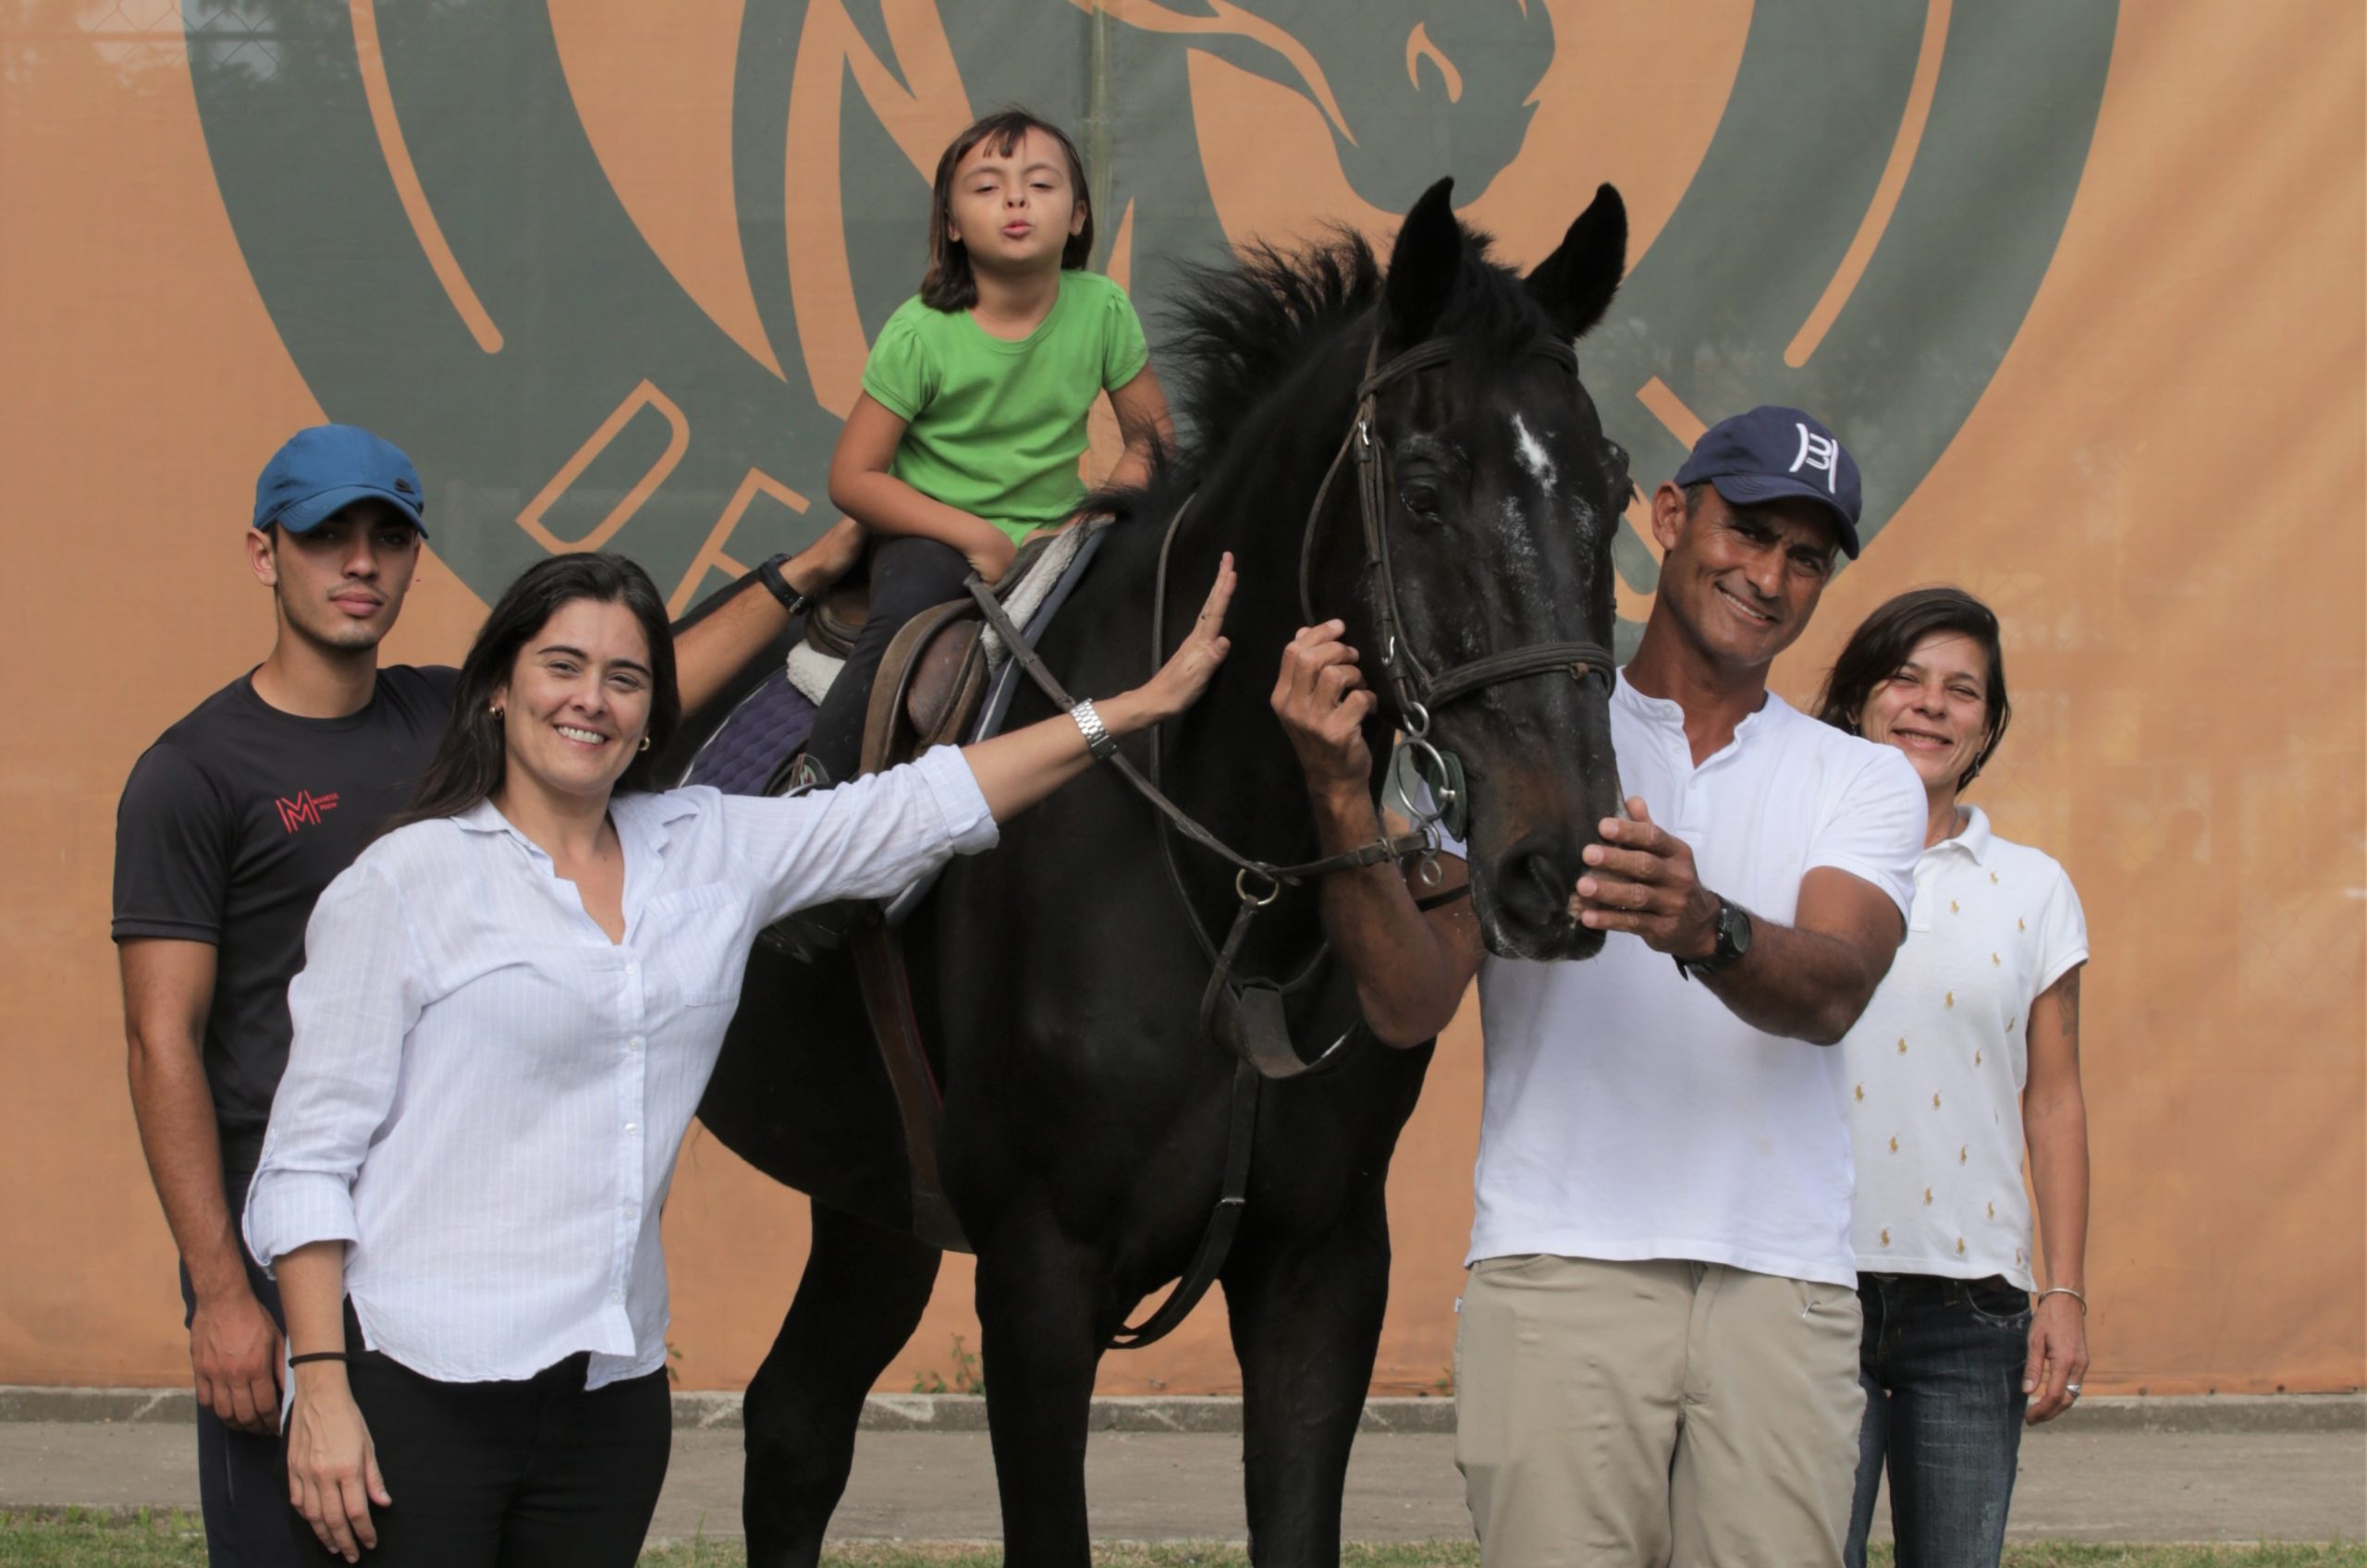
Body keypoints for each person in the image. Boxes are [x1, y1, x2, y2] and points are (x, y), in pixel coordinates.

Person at [243, 546, 1235, 1565]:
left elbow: (923, 803)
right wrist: (319, 1385)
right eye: (562, 667)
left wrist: (1129, 710)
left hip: (606, 1401)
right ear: (498, 688)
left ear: (649, 713)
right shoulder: (406, 882)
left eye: (624, 679)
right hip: (419, 1386)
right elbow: (308, 1163)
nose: (592, 701)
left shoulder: (706, 848)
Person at [110, 423, 853, 1565]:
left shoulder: (450, 716)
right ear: (265, 555)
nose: (359, 563)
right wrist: (220, 1290)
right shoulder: (197, 770)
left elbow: (641, 685)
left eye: (387, 537)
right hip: (282, 1235)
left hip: (438, 1242)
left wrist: (808, 570)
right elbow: (164, 1042)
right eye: (326, 538)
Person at [1270, 406, 1927, 1564]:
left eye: (1805, 557)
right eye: (1748, 531)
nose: (1768, 575)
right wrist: (1338, 794)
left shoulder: (1862, 777)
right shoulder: (1510, 737)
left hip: (1783, 1283)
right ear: (1670, 517)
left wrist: (1701, 921)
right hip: (1558, 1266)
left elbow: (1833, 990)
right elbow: (1408, 1001)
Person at [1815, 588, 2091, 1567]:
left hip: (1972, 1306)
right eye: (1905, 679)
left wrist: (2062, 1290)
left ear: (1986, 726)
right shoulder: (1787, 858)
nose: (1931, 705)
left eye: (1961, 690)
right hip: (1806, 1287)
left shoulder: (2033, 887)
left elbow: (2051, 1099)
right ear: (1856, 700)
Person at [796, 106, 1171, 792]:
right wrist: (972, 535)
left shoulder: (1102, 308)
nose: (1017, 200)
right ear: (950, 224)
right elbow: (853, 476)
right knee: (908, 608)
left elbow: (1153, 439)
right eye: (988, 187)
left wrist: (1089, 519)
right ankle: (816, 783)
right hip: (934, 529)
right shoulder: (921, 334)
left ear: (1080, 215)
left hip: (1061, 527)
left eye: (1040, 184)